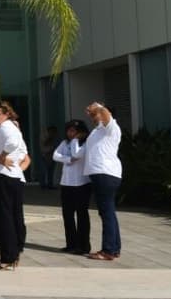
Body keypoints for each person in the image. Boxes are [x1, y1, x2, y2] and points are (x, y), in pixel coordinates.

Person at [0, 101, 28, 271]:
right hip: (4, 175)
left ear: (6, 114)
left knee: (5, 217)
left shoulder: (7, 127)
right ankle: (12, 254)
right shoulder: (0, 128)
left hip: (5, 175)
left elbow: (14, 145)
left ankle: (9, 257)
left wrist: (3, 156)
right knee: (8, 216)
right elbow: (21, 149)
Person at [82, 102, 122, 261]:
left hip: (105, 173)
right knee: (108, 212)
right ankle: (114, 248)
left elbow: (105, 115)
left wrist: (98, 106)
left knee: (106, 213)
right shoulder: (99, 130)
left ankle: (108, 250)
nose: (93, 116)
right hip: (101, 174)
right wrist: (93, 112)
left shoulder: (111, 128)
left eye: (97, 114)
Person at [54, 119, 91, 255]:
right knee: (68, 215)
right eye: (69, 131)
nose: (71, 134)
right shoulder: (64, 143)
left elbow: (77, 154)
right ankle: (71, 243)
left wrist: (75, 141)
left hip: (82, 183)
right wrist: (68, 159)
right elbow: (55, 155)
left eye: (74, 131)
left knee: (82, 215)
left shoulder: (86, 144)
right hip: (66, 183)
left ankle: (83, 246)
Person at [39, 125, 58, 189]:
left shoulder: (55, 137)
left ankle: (50, 184)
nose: (54, 134)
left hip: (52, 156)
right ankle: (43, 185)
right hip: (45, 155)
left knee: (51, 171)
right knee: (43, 171)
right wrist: (50, 137)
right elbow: (44, 144)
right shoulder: (44, 136)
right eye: (53, 132)